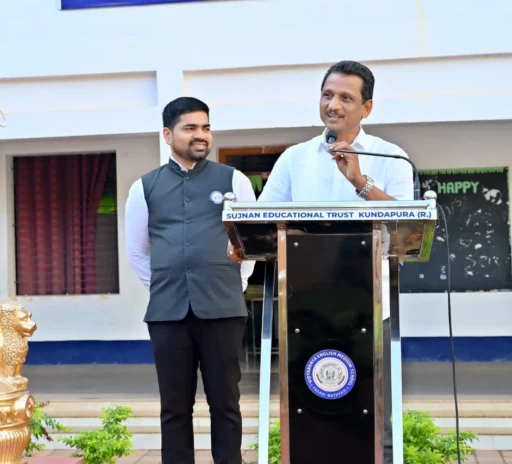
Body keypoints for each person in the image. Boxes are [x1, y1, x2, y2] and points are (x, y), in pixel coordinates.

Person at [259, 60, 413, 463]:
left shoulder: (391, 158)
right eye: (327, 95)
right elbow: (261, 220)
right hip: (303, 312)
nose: (334, 105)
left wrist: (360, 182)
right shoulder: (294, 158)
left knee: (371, 416)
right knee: (308, 416)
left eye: (346, 97)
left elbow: (408, 223)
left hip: (369, 309)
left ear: (367, 107)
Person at [125, 97, 256, 464]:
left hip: (223, 310)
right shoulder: (144, 187)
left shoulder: (234, 180)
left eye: (206, 127)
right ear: (168, 135)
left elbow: (249, 247)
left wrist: (230, 286)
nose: (201, 135)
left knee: (226, 403)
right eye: (191, 128)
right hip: (167, 314)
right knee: (174, 408)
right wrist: (168, 286)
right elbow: (137, 252)